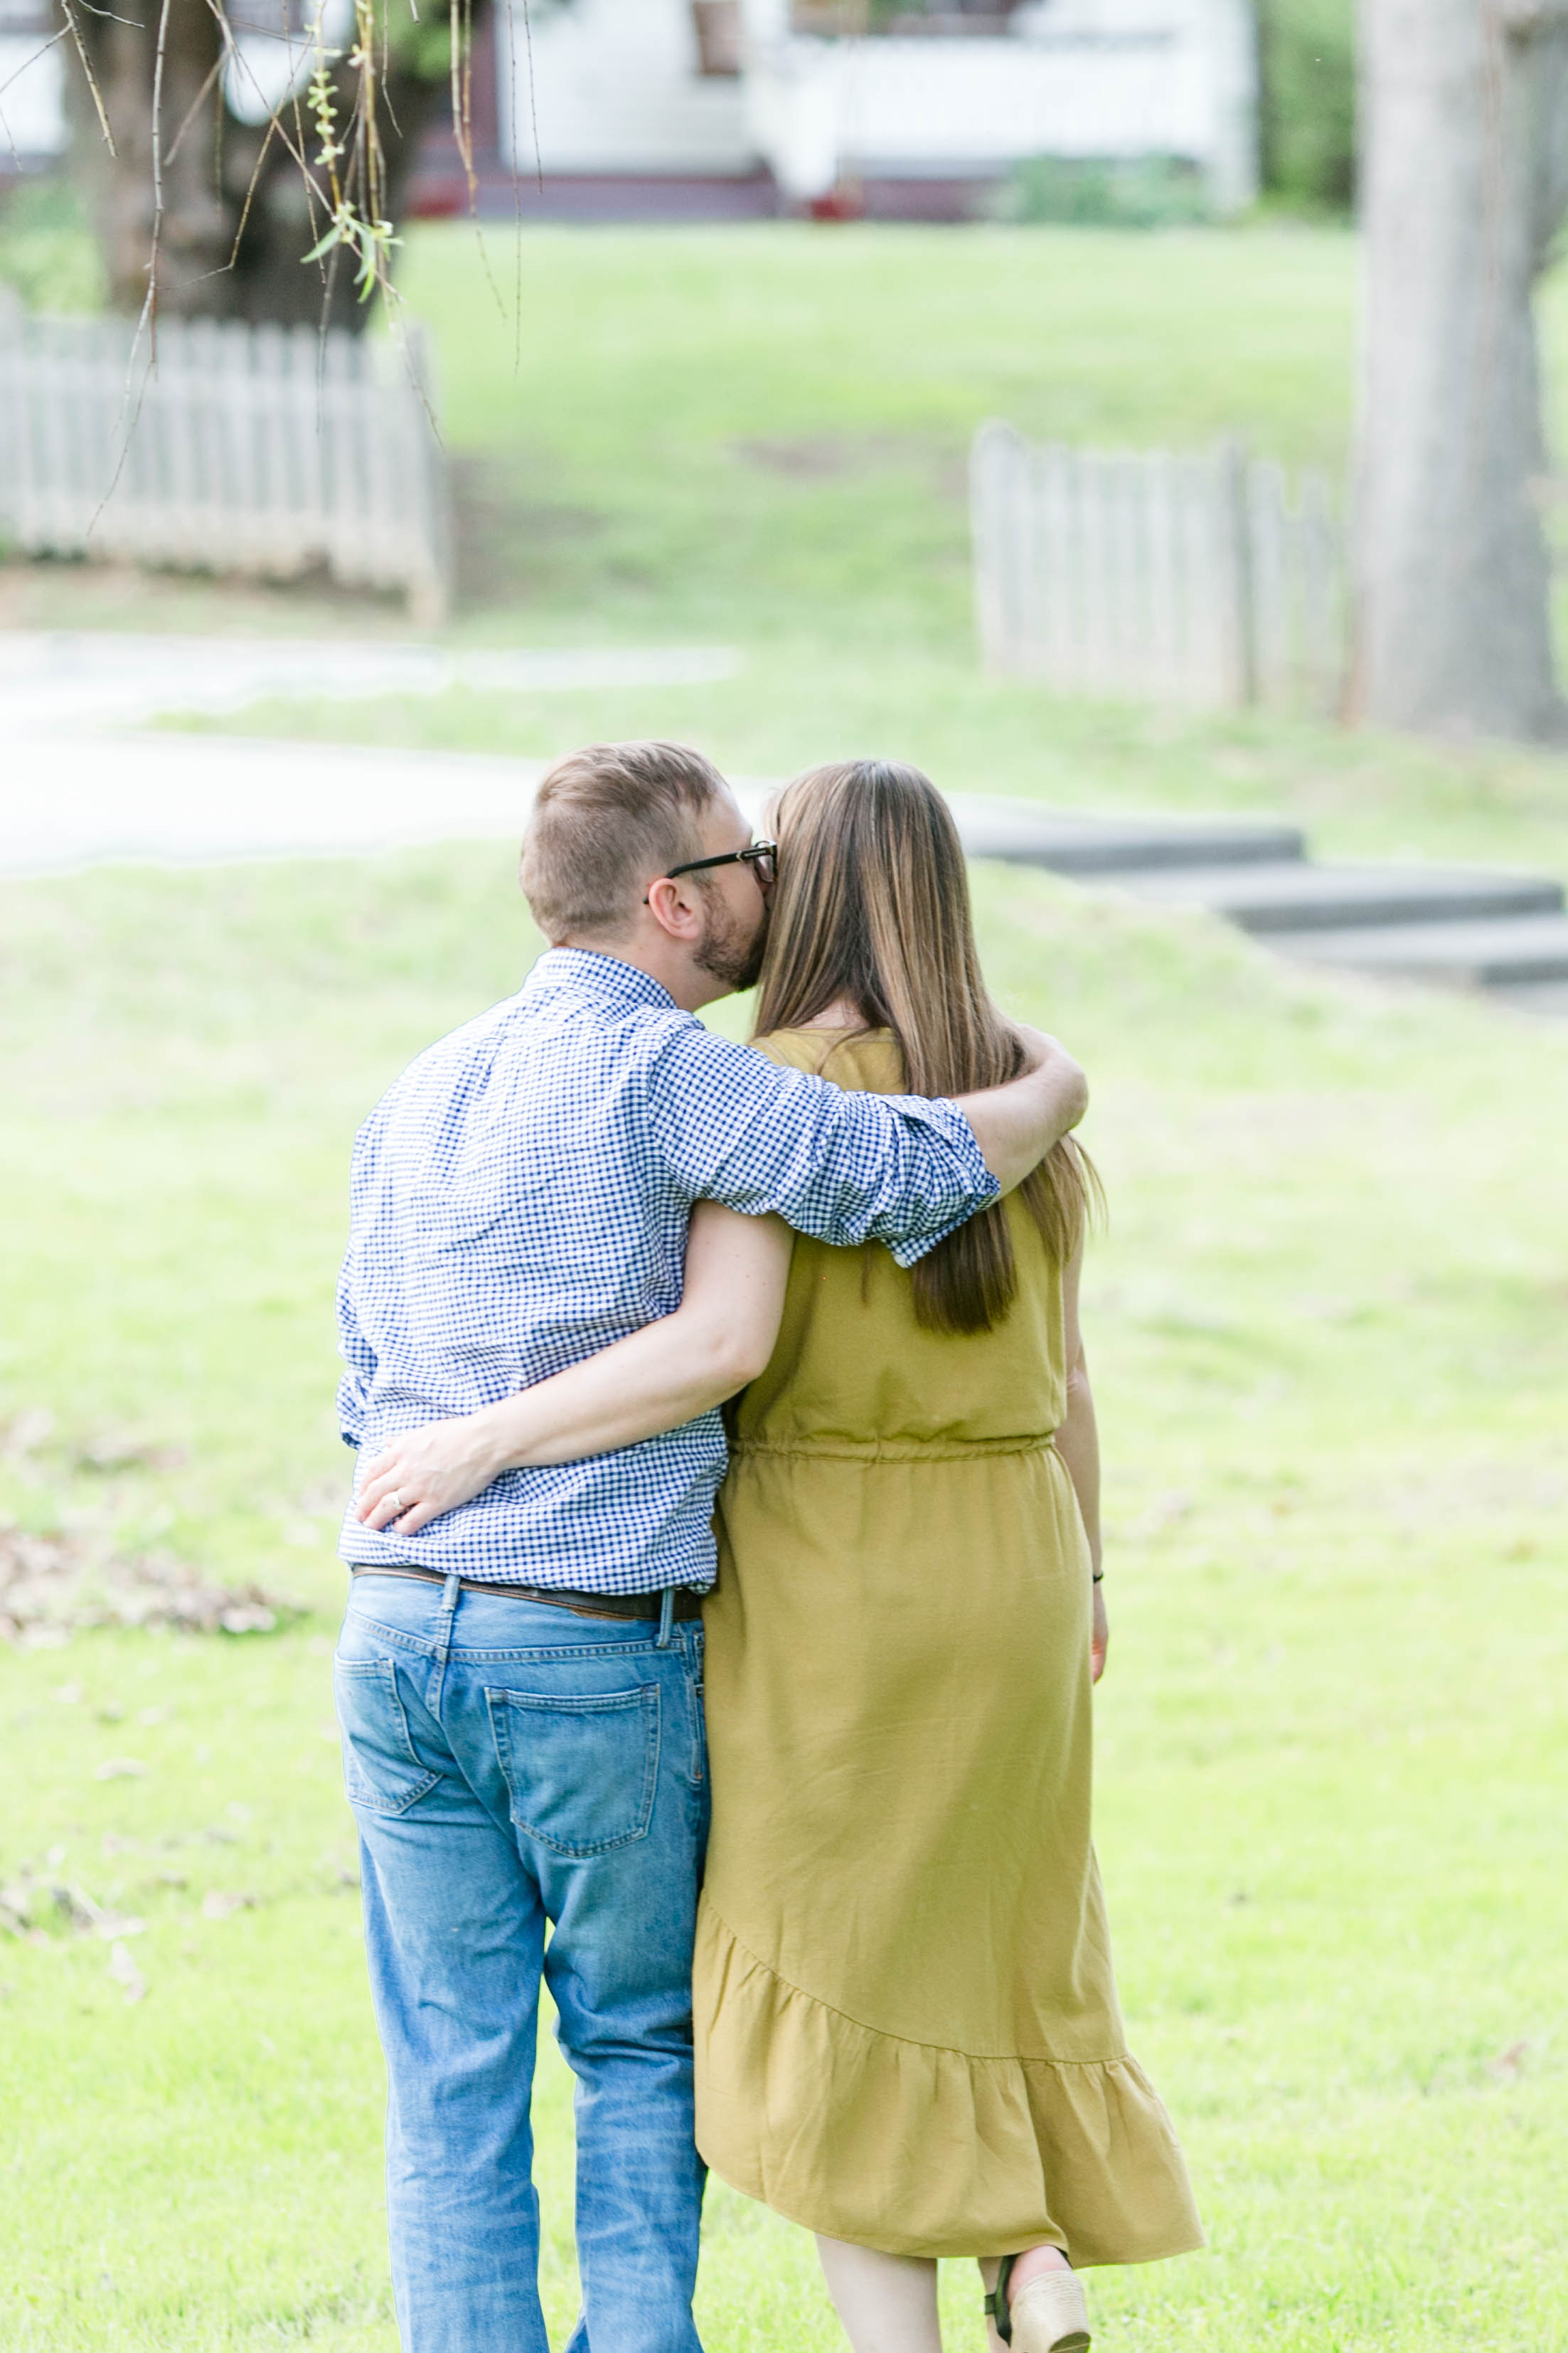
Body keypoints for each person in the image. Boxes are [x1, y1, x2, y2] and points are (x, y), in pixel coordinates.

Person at [362, 758, 1201, 2353]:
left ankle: (928, 2308)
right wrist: (1087, 1575)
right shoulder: (1006, 1101)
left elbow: (719, 1343)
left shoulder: (714, 1090)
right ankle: (1027, 2246)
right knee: (986, 1933)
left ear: (796, 885)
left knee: (820, 1967)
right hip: (1013, 1554)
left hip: (777, 1577)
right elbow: (1060, 1365)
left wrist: (468, 1443)